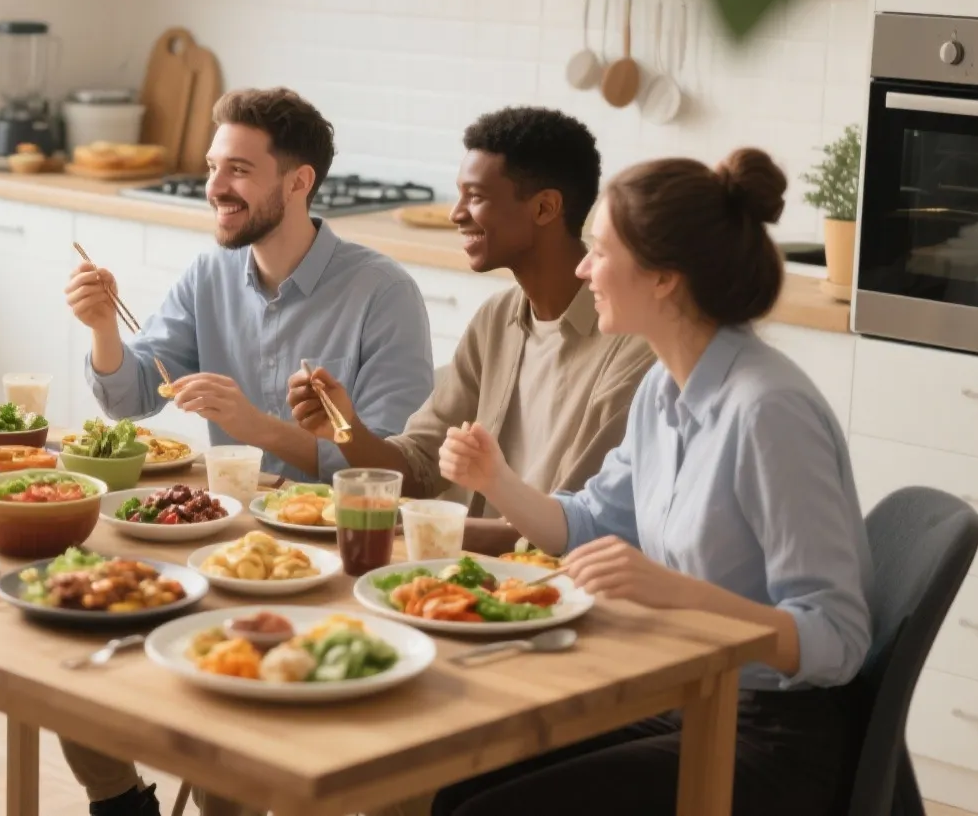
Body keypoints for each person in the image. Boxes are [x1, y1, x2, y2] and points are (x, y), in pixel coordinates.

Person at [432, 150, 874, 816]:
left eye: (599, 252)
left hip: (773, 738)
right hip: (679, 694)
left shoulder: (767, 412)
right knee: (458, 778)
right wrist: (496, 479)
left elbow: (837, 640)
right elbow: (585, 523)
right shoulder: (664, 390)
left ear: (664, 277)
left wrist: (678, 594)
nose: (582, 269)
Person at [60, 87, 435, 816]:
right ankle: (122, 802)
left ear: (299, 183)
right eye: (212, 167)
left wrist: (259, 426)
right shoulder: (209, 275)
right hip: (230, 538)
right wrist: (104, 328)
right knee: (73, 647)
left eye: (237, 170)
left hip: (338, 551)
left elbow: (390, 472)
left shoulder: (382, 293)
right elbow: (135, 391)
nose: (214, 189)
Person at [288, 107, 656, 554]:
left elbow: (575, 528)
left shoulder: (633, 347)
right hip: (471, 571)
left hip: (550, 584)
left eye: (476, 196)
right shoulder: (496, 319)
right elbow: (420, 467)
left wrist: (396, 522)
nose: (456, 214)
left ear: (545, 207)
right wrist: (345, 428)